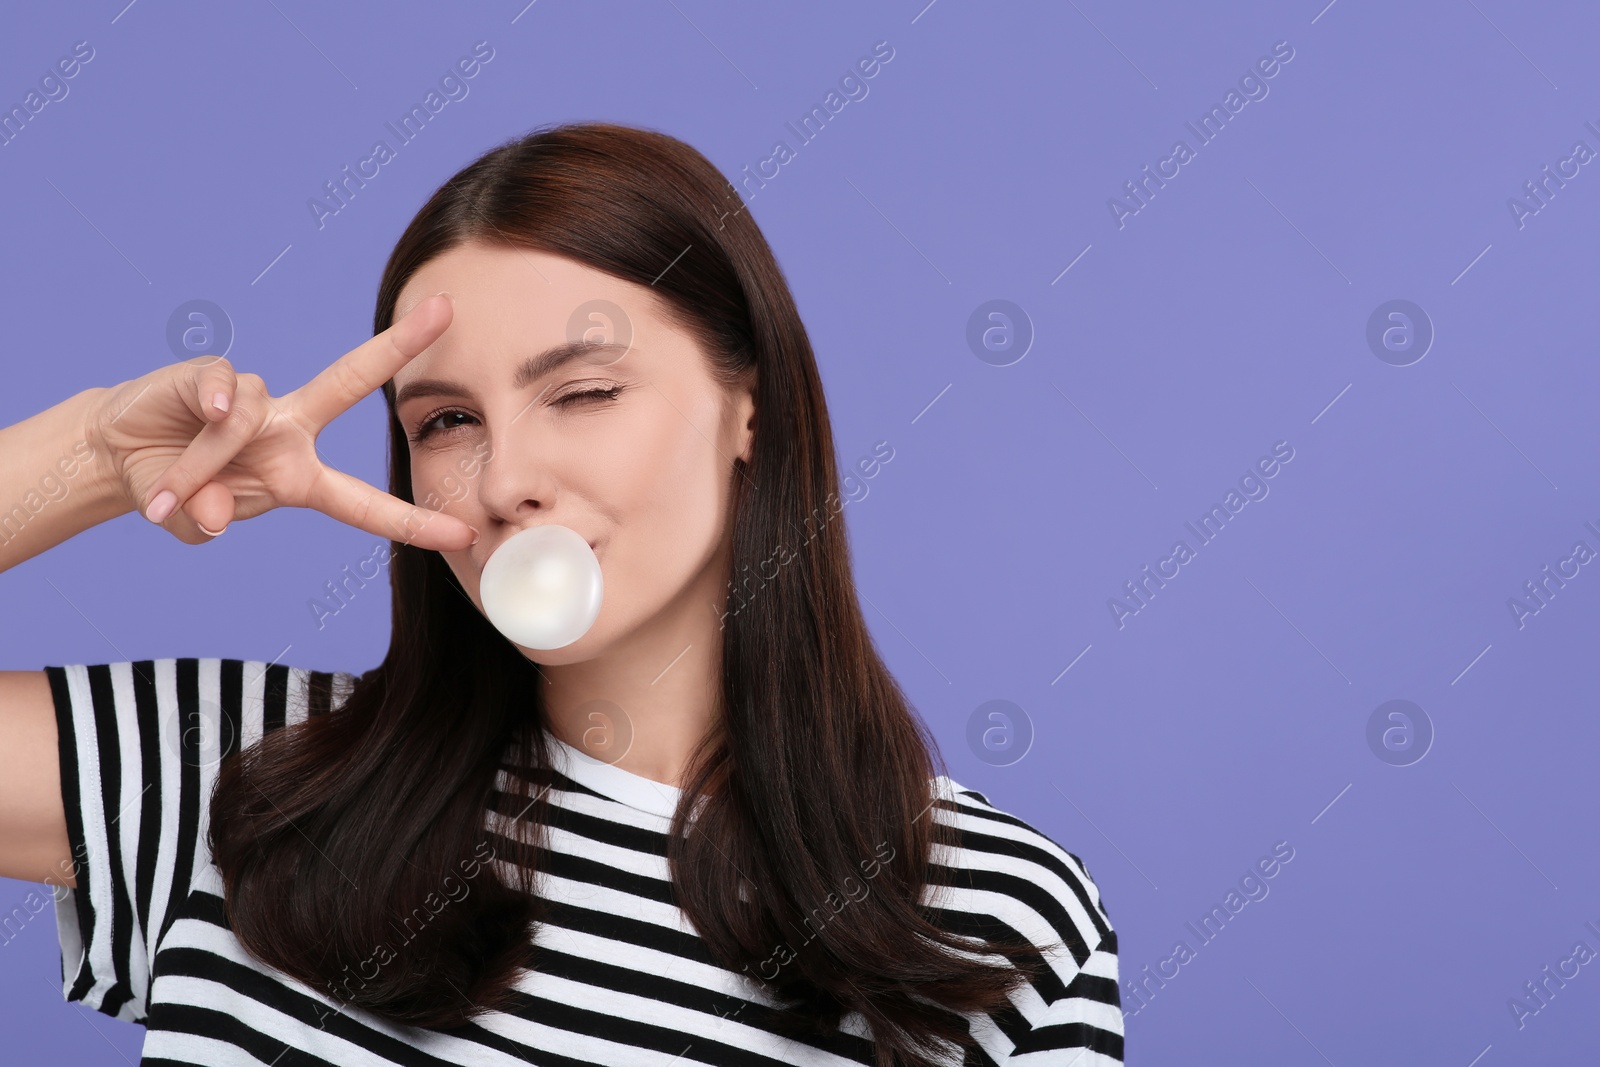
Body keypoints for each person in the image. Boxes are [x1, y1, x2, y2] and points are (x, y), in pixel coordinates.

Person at [0, 121, 1123, 1066]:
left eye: (582, 392)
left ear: (753, 411)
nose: (507, 477)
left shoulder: (988, 918)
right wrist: (97, 454)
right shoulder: (249, 774)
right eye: (445, 421)